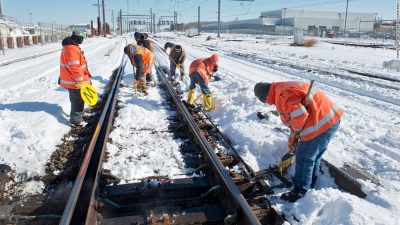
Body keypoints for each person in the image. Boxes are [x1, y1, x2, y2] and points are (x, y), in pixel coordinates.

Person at [254, 81, 343, 202]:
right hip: (331, 119)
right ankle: (309, 184)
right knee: (314, 156)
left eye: (264, 101)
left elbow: (300, 116)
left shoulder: (282, 96)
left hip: (320, 123)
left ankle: (300, 191)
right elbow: (293, 119)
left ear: (265, 97)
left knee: (304, 157)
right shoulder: (280, 88)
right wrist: (292, 139)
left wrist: (295, 135)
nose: (267, 103)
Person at [59, 29, 92, 126]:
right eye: (81, 38)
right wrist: (80, 81)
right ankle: (76, 121)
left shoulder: (71, 47)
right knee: (77, 102)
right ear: (77, 37)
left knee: (79, 100)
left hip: (74, 81)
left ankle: (78, 117)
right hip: (75, 83)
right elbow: (75, 67)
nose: (82, 40)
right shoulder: (71, 49)